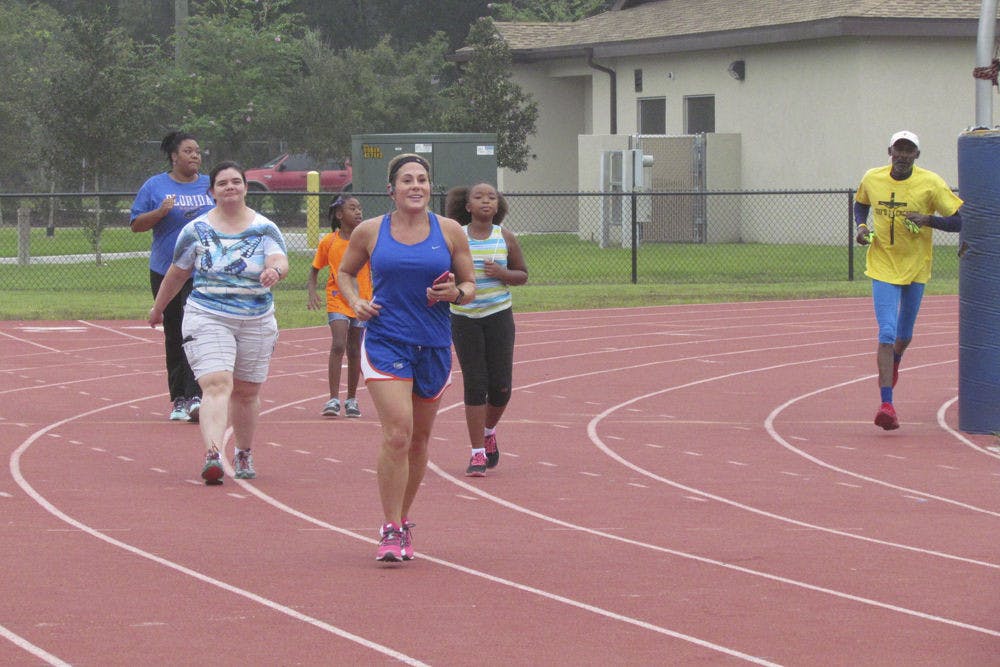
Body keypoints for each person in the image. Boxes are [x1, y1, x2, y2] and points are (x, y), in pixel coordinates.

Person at [337, 153, 475, 562]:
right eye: (407, 180)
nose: (415, 186)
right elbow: (345, 273)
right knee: (398, 432)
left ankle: (404, 518)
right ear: (391, 189)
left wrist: (457, 294)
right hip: (386, 341)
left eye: (422, 179)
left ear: (431, 187)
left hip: (432, 343)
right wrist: (355, 301)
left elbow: (469, 284)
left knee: (418, 439)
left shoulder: (450, 232)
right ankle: (391, 528)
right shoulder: (369, 230)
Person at [148, 161, 289, 484]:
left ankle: (243, 451)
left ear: (245, 188)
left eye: (236, 182)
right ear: (211, 192)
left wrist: (274, 271)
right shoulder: (195, 230)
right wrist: (159, 309)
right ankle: (213, 453)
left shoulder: (265, 228)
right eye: (223, 183)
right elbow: (178, 272)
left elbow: (279, 258)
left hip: (256, 318)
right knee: (216, 384)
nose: (230, 187)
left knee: (247, 392)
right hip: (207, 315)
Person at [854, 130, 962, 430]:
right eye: (898, 149)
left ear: (917, 155)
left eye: (909, 150)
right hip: (882, 265)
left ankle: (896, 360)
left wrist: (928, 220)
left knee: (904, 335)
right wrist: (862, 227)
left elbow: (959, 219)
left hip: (916, 267)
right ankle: (886, 404)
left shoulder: (931, 183)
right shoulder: (873, 178)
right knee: (886, 333)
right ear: (889, 150)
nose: (902, 155)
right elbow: (860, 203)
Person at [444, 183, 528, 477]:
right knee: (476, 383)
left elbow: (522, 275)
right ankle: (477, 452)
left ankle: (489, 430)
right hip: (464, 317)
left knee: (501, 387)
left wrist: (502, 274)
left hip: (498, 316)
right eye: (478, 197)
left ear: (498, 205)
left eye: (491, 197)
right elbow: (442, 272)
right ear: (466, 205)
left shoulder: (505, 238)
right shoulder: (456, 237)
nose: (485, 201)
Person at [131, 132, 215, 422]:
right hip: (166, 270)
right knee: (175, 332)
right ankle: (178, 398)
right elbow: (136, 225)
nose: (195, 156)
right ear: (174, 156)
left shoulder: (209, 185)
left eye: (198, 151)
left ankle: (196, 396)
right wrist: (160, 212)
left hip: (202, 272)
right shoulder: (155, 186)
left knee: (197, 332)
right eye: (189, 151)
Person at [307, 194, 370, 418]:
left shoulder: (366, 240)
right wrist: (312, 291)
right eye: (353, 208)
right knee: (338, 344)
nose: (358, 212)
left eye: (360, 208)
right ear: (339, 214)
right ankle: (333, 399)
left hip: (362, 300)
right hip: (337, 298)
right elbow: (315, 268)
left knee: (354, 350)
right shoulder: (329, 241)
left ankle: (351, 399)